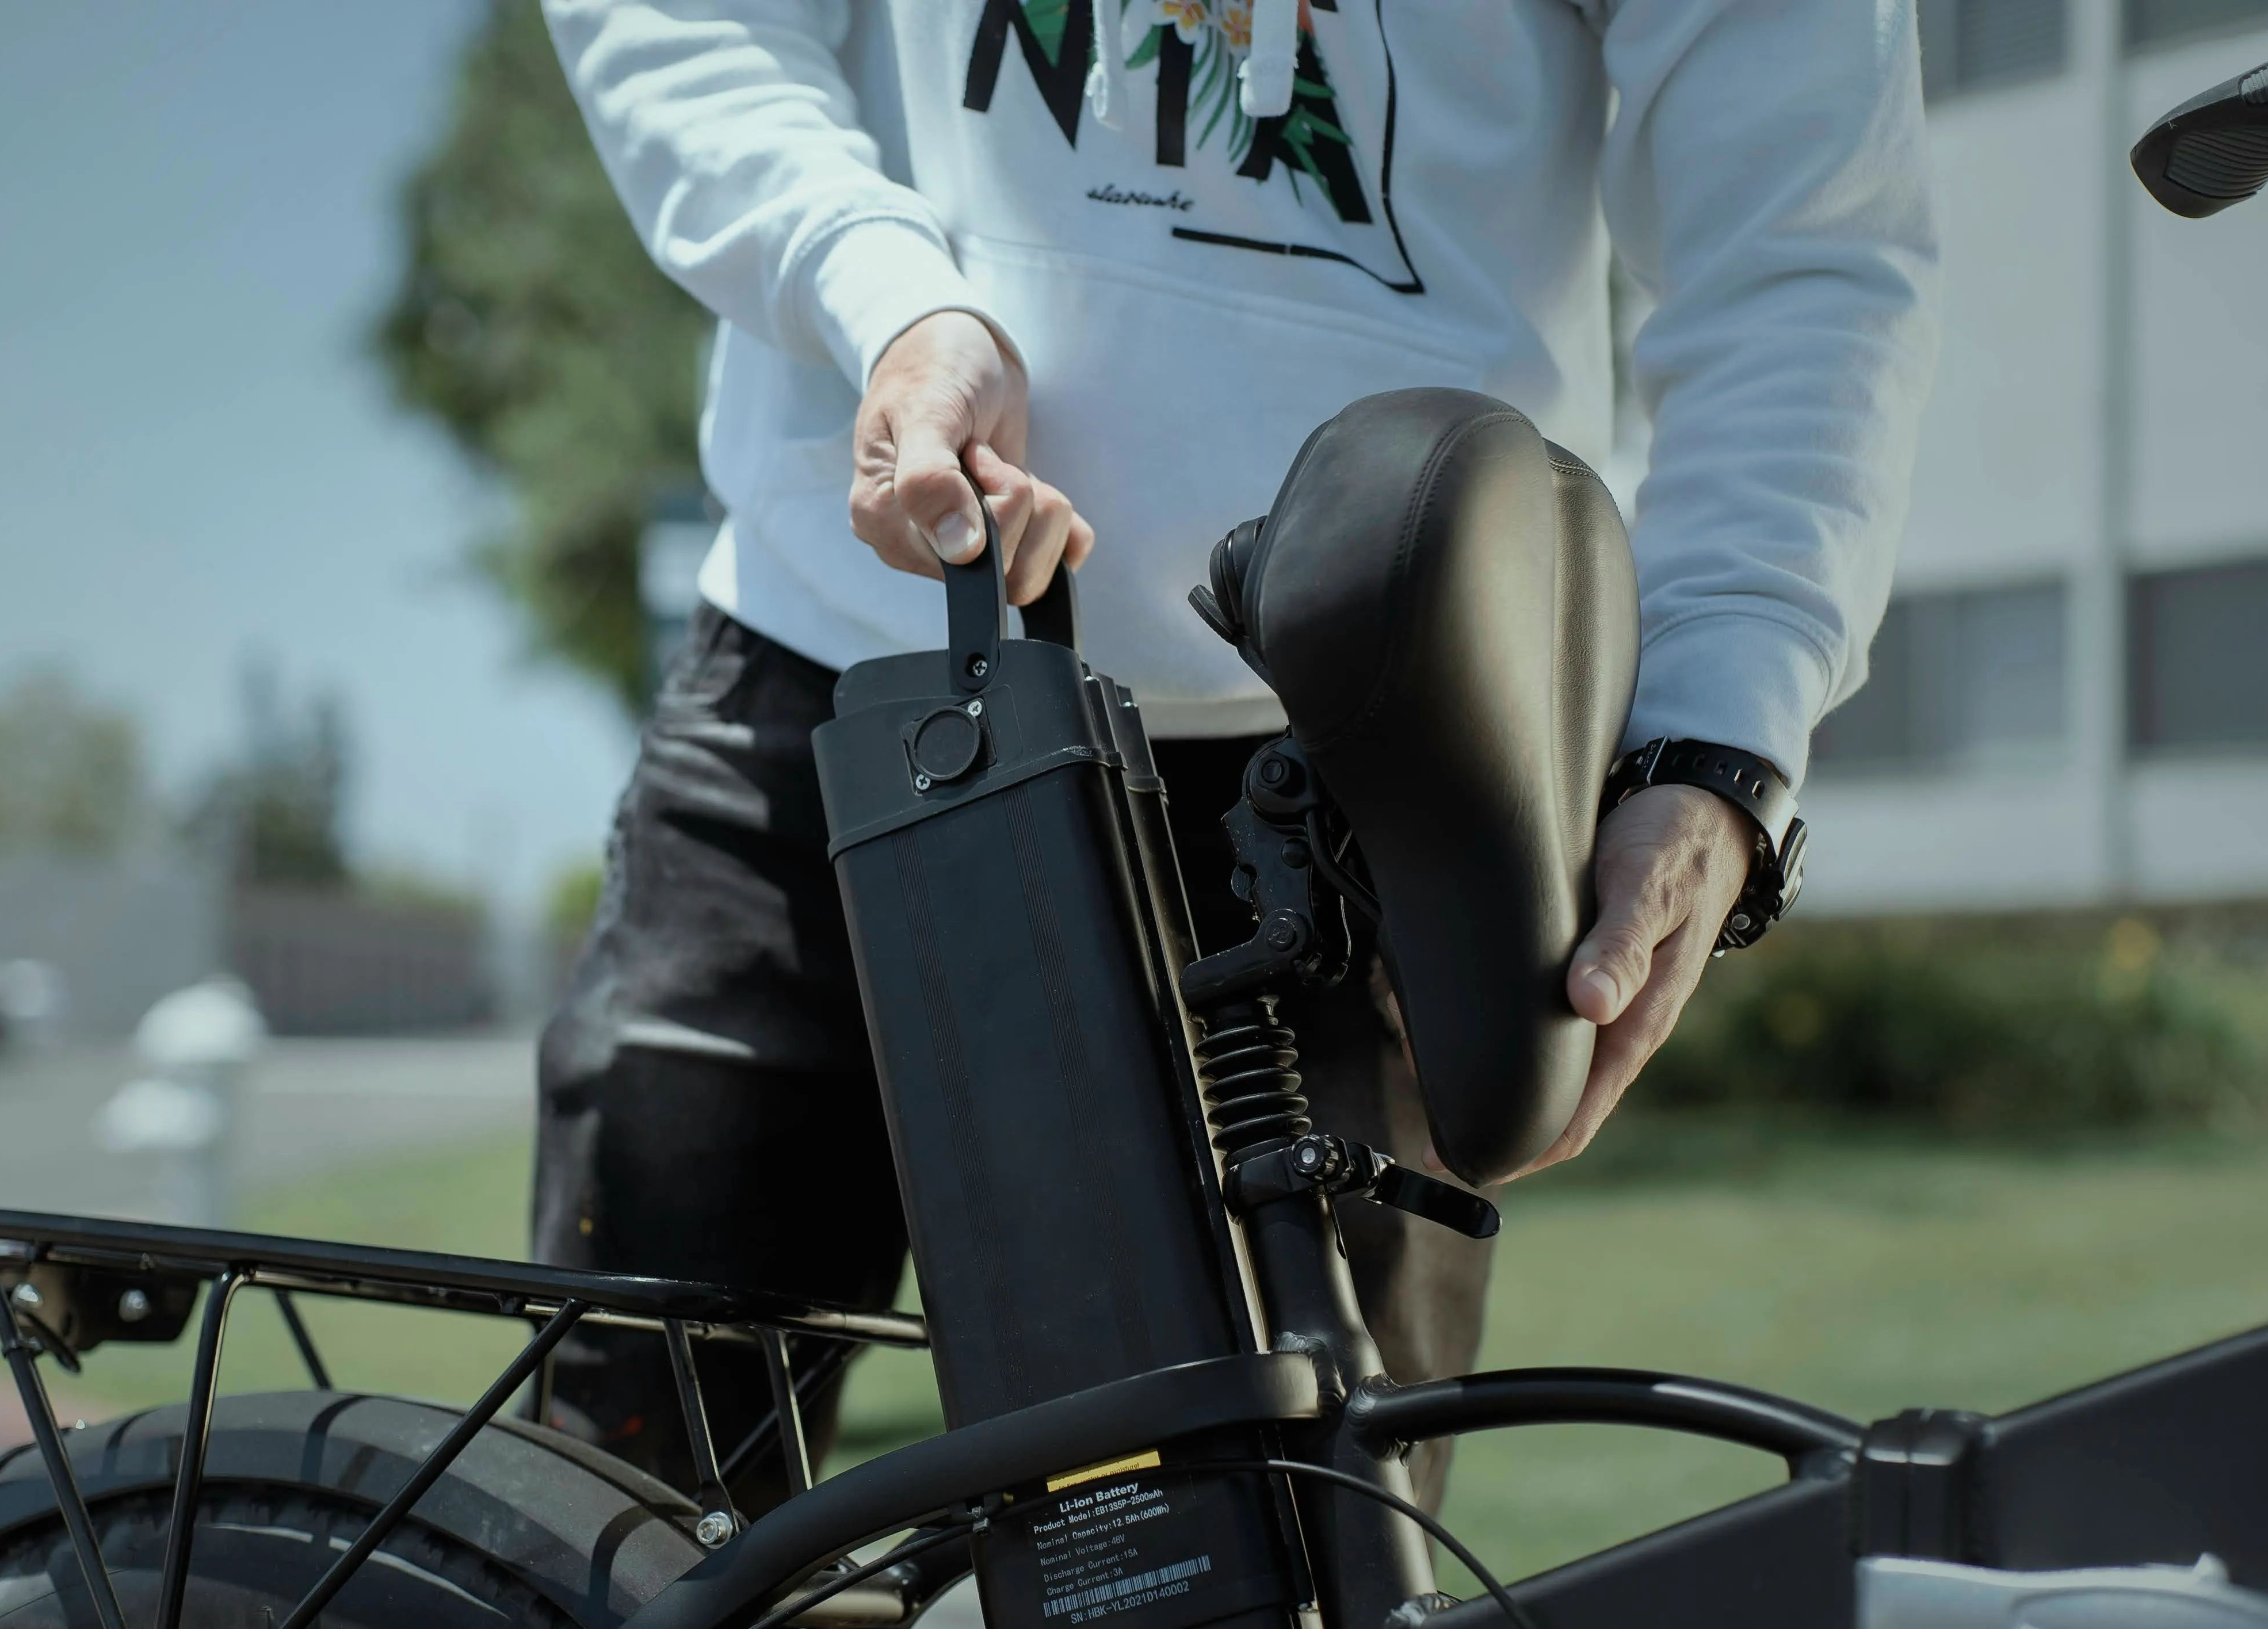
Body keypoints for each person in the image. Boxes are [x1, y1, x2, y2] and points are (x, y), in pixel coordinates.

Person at [530, 0, 1939, 1511]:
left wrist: (1721, 727)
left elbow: (1800, 247)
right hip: (842, 680)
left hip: (1370, 771)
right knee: (607, 1529)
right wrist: (875, 286)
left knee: (1274, 1560)